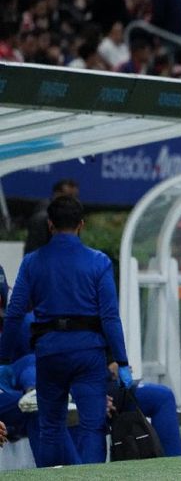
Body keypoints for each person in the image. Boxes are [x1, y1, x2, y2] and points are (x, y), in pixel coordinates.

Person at [0, 196, 133, 467]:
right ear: (81, 225)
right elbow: (110, 317)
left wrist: (2, 356)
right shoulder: (99, 262)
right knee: (93, 426)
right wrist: (122, 361)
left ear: (50, 224)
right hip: (88, 353)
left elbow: (14, 313)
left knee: (50, 426)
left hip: (50, 353)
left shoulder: (32, 263)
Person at [24, 179, 79, 254]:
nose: (73, 200)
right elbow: (34, 249)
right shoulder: (42, 218)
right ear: (57, 194)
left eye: (75, 197)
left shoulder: (71, 217)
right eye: (69, 196)